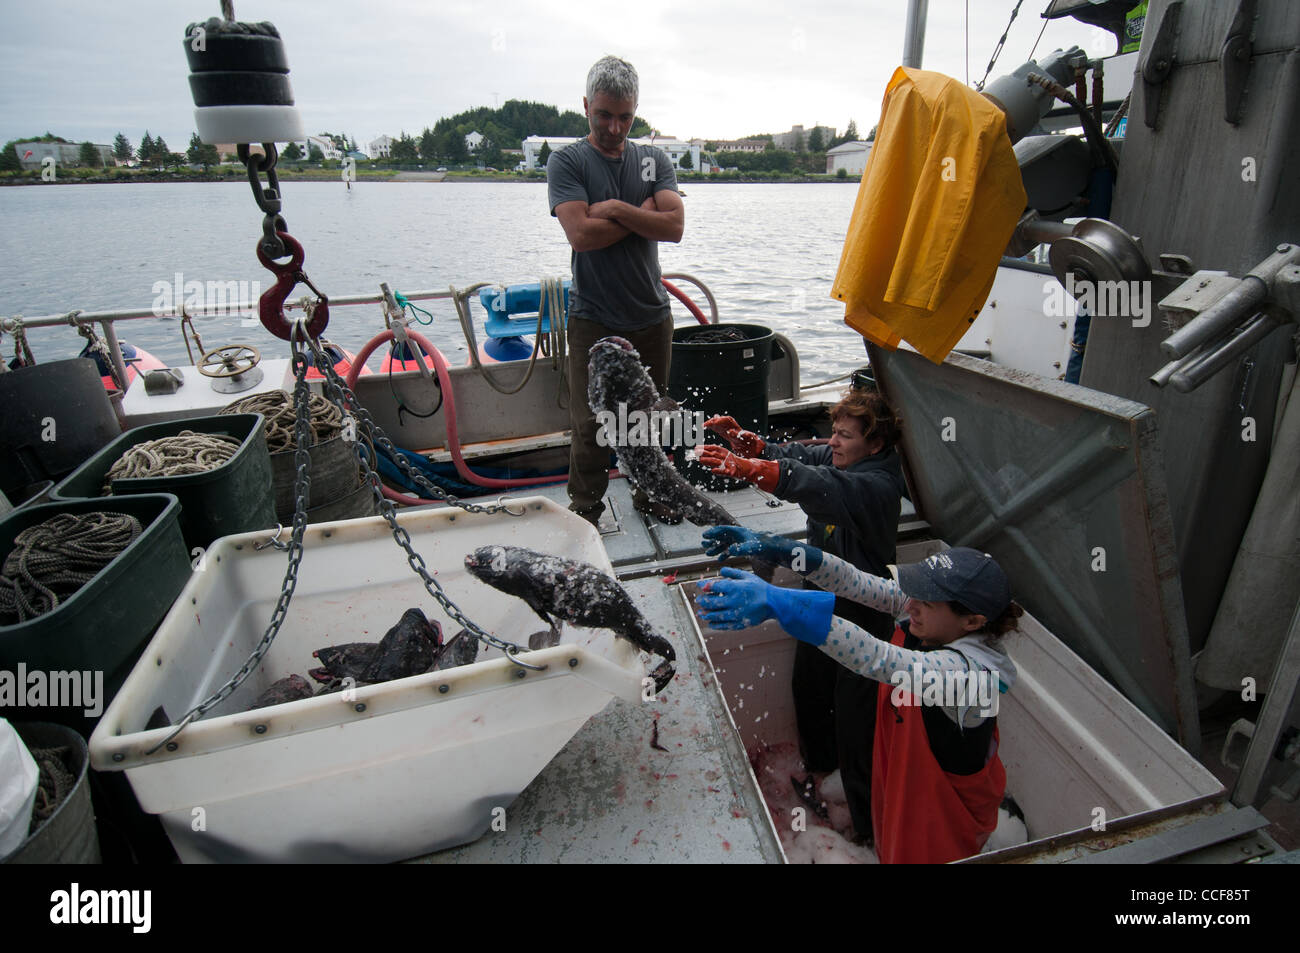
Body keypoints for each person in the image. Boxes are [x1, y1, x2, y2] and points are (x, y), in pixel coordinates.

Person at [696, 531, 1021, 863]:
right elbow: (853, 581)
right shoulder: (931, 619)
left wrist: (783, 605)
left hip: (944, 818)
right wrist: (782, 551)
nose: (912, 604)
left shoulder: (971, 677)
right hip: (903, 786)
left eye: (927, 602)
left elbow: (876, 658)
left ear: (972, 621)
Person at [696, 383, 905, 842]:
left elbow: (820, 485)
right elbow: (803, 458)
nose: (833, 442)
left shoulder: (876, 486)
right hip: (819, 597)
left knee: (857, 727)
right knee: (808, 690)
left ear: (876, 445)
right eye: (833, 431)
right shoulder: (840, 458)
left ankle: (869, 831)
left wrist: (755, 470)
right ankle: (819, 774)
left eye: (845, 436)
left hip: (863, 614)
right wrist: (752, 445)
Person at [547, 54, 685, 527]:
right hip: (593, 315)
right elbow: (581, 236)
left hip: (650, 313)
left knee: (650, 418)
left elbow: (676, 226)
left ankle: (650, 494)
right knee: (590, 425)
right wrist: (642, 213)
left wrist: (613, 209)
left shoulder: (654, 159)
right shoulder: (566, 160)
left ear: (636, 110)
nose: (614, 126)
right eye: (603, 114)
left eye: (625, 116)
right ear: (585, 106)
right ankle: (585, 509)